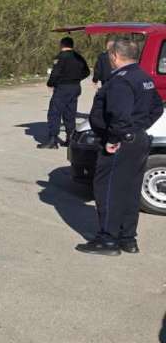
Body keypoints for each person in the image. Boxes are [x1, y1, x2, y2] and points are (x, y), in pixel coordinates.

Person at [77, 39, 163, 255]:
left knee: (109, 190)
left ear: (115, 56)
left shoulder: (121, 81)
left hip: (120, 142)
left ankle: (108, 240)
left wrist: (115, 138)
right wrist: (139, 128)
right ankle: (127, 238)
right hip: (137, 139)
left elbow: (119, 115)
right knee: (129, 191)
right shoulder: (143, 77)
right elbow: (157, 108)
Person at [38, 36, 90, 149]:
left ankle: (53, 140)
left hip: (63, 88)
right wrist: (76, 79)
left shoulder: (61, 57)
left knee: (54, 112)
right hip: (75, 87)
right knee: (70, 113)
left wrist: (50, 83)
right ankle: (70, 139)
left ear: (62, 45)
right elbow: (87, 72)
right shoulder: (79, 57)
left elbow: (55, 73)